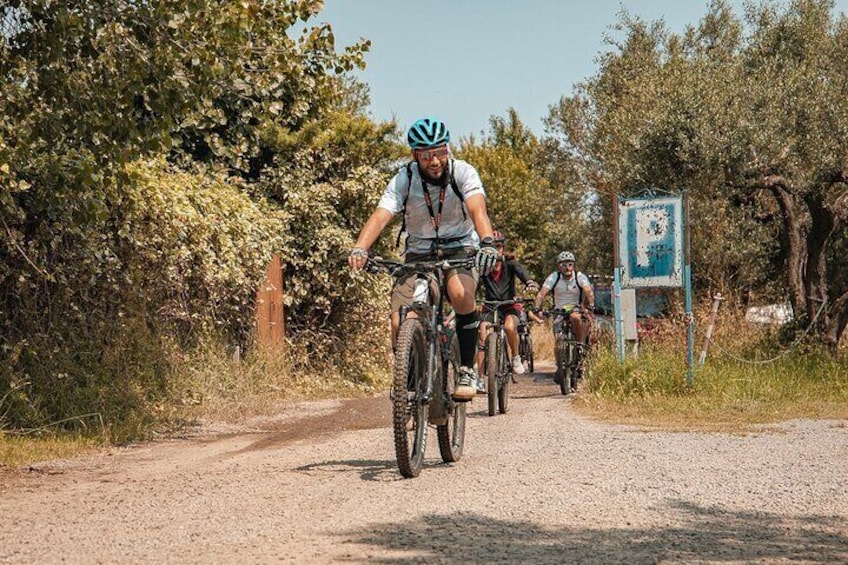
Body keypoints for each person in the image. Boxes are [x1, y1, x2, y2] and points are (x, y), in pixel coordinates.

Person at [348, 117, 498, 401]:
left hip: (460, 247)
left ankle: (466, 368)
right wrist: (360, 248)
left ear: (447, 149)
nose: (435, 160)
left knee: (460, 293)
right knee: (400, 319)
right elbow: (382, 214)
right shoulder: (404, 178)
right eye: (426, 154)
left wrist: (488, 243)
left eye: (440, 151)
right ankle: (410, 379)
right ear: (414, 155)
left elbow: (479, 210)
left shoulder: (463, 172)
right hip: (419, 251)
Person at [475, 231, 540, 389]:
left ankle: (516, 357)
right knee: (482, 334)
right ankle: (480, 378)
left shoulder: (510, 263)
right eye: (491, 247)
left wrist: (529, 282)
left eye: (498, 246)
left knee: (510, 327)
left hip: (510, 305)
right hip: (490, 305)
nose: (496, 250)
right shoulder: (482, 267)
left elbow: (522, 273)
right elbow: (473, 282)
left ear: (503, 248)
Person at [534, 251, 595, 380]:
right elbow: (542, 293)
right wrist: (537, 307)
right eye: (563, 264)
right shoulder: (554, 277)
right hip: (559, 310)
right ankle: (560, 366)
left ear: (573, 265)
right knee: (558, 340)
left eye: (570, 264)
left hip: (575, 308)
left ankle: (580, 344)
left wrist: (591, 303)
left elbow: (588, 291)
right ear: (558, 266)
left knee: (575, 317)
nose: (567, 267)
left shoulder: (579, 276)